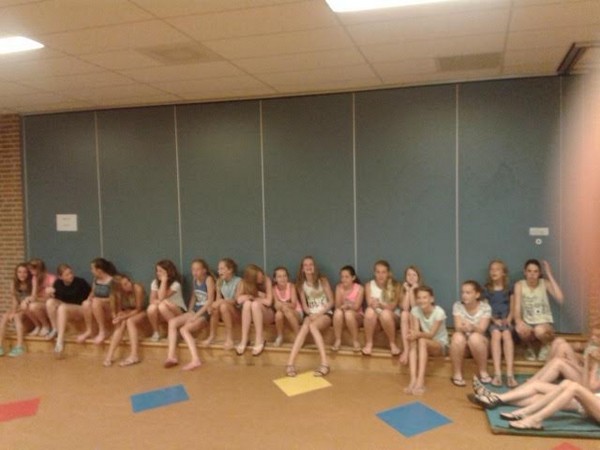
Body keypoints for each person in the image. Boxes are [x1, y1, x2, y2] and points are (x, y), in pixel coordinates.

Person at [468, 337, 600, 431]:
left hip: (592, 400)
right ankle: (505, 402)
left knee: (573, 387)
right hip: (593, 401)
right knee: (560, 384)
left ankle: (535, 419)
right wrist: (586, 359)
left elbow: (590, 387)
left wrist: (591, 363)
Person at [285, 256, 334, 377]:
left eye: (311, 264)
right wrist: (311, 314)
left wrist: (318, 314)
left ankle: (324, 364)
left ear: (314, 267)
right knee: (304, 328)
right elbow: (305, 306)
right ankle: (290, 363)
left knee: (312, 326)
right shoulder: (301, 285)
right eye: (305, 265)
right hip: (311, 314)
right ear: (302, 269)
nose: (308, 267)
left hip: (325, 313)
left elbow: (331, 302)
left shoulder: (322, 280)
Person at [163, 259, 215, 370]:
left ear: (204, 270)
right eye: (193, 269)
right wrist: (189, 312)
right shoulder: (195, 280)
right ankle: (171, 356)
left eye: (197, 269)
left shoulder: (208, 280)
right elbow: (194, 297)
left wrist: (195, 316)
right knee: (172, 322)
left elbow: (210, 301)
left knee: (184, 330)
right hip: (195, 310)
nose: (194, 272)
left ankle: (196, 359)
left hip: (204, 313)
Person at [514, 259, 564, 361]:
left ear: (539, 273)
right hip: (528, 322)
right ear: (525, 272)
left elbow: (560, 298)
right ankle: (529, 347)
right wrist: (518, 321)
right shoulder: (519, 285)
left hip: (544, 324)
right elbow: (517, 307)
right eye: (529, 271)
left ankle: (546, 345)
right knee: (520, 329)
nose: (532, 274)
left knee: (539, 330)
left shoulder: (544, 283)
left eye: (535, 271)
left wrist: (549, 274)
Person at [405, 286, 448, 395]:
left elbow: (431, 334)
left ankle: (420, 381)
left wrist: (417, 334)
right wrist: (412, 335)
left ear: (431, 299)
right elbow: (415, 331)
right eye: (419, 298)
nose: (421, 300)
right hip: (424, 341)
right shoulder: (415, 310)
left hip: (439, 344)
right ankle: (413, 379)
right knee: (414, 341)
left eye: (425, 297)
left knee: (421, 341)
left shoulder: (439, 312)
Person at [450, 280, 492, 386]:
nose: (464, 295)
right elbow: (458, 327)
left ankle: (483, 371)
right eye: (463, 292)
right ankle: (457, 374)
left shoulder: (485, 307)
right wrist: (464, 328)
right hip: (463, 345)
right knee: (457, 337)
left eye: (468, 293)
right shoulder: (457, 306)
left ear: (477, 294)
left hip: (480, 344)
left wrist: (472, 327)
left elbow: (482, 329)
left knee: (475, 337)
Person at [483, 260, 517, 387]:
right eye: (492, 269)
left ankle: (509, 374)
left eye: (497, 269)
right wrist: (493, 320)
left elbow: (513, 308)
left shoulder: (509, 289)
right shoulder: (487, 289)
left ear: (503, 273)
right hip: (493, 321)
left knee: (507, 334)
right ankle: (497, 373)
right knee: (496, 334)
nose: (494, 272)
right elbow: (486, 309)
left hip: (506, 320)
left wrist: (509, 319)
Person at [103, 274, 147, 367]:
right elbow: (120, 310)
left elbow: (138, 309)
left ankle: (134, 355)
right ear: (120, 289)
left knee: (129, 321)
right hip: (129, 312)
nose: (129, 284)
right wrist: (117, 317)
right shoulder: (119, 294)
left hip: (143, 311)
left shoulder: (137, 288)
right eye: (125, 284)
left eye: (128, 282)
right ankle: (109, 356)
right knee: (121, 323)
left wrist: (123, 317)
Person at [50, 264, 91, 358]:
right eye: (67, 275)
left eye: (71, 273)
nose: (70, 276)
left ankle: (59, 341)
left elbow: (91, 295)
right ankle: (55, 329)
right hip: (66, 307)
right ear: (60, 277)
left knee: (62, 308)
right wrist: (49, 294)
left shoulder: (80, 282)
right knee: (50, 302)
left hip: (80, 308)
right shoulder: (57, 283)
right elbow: (55, 298)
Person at [362, 260, 401, 357]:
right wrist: (374, 304)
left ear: (388, 273)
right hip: (375, 318)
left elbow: (393, 306)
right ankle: (369, 343)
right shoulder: (368, 285)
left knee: (385, 314)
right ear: (374, 273)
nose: (380, 275)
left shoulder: (395, 285)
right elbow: (369, 303)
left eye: (383, 272)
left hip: (392, 317)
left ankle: (392, 344)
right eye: (378, 272)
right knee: (369, 311)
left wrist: (381, 305)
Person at [235, 264, 274, 356]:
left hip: (267, 314)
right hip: (252, 315)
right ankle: (244, 339)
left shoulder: (267, 280)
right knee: (247, 304)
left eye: (262, 275)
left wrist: (255, 298)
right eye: (259, 277)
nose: (262, 278)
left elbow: (268, 302)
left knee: (255, 304)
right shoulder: (243, 283)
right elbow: (238, 300)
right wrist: (252, 296)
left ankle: (259, 339)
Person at [76, 258, 117, 344]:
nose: (91, 271)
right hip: (97, 305)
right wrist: (89, 299)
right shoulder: (95, 280)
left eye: (92, 269)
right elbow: (92, 293)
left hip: (109, 307)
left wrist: (99, 300)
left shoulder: (112, 281)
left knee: (96, 302)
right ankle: (89, 330)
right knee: (86, 303)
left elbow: (114, 299)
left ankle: (103, 331)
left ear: (99, 270)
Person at [203, 258, 241, 350]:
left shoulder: (239, 281)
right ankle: (212, 335)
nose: (219, 271)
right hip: (224, 311)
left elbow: (236, 301)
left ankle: (229, 338)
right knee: (216, 308)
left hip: (237, 312)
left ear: (230, 270)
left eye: (222, 269)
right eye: (218, 269)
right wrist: (212, 306)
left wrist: (221, 302)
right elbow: (218, 300)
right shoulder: (219, 282)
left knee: (223, 306)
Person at [0, 263, 35, 357]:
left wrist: (15, 313)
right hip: (20, 308)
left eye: (24, 272)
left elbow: (33, 299)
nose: (22, 274)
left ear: (28, 273)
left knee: (16, 316)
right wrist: (12, 311)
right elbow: (15, 301)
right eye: (19, 272)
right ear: (16, 273)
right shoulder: (14, 284)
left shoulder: (31, 283)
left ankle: (20, 346)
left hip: (29, 309)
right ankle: (0, 346)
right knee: (4, 316)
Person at [146, 259, 186, 342]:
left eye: (160, 271)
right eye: (157, 271)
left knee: (162, 306)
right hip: (163, 309)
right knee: (151, 308)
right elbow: (152, 300)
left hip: (178, 311)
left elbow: (161, 297)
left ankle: (175, 331)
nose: (158, 273)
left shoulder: (176, 284)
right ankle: (156, 332)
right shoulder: (155, 282)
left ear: (167, 271)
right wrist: (160, 302)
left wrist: (164, 281)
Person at [332, 265, 364, 352]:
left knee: (348, 314)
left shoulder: (360, 288)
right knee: (337, 312)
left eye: (346, 277)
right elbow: (337, 306)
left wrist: (348, 306)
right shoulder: (339, 287)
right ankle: (338, 340)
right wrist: (343, 306)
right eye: (342, 277)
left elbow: (356, 307)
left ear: (353, 278)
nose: (344, 279)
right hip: (343, 314)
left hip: (357, 316)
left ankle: (355, 340)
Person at [24, 258, 55, 336]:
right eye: (30, 269)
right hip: (39, 300)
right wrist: (28, 299)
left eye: (32, 269)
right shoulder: (34, 278)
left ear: (39, 268)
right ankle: (38, 326)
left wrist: (36, 299)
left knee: (33, 306)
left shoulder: (51, 278)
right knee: (24, 305)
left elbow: (51, 299)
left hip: (49, 303)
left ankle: (46, 326)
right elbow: (33, 295)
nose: (30, 271)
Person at [272, 266, 301, 347]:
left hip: (297, 314)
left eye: (285, 276)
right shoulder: (273, 289)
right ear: (275, 279)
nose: (283, 278)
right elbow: (276, 305)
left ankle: (299, 337)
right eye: (279, 276)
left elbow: (294, 305)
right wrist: (282, 305)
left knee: (285, 310)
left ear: (287, 277)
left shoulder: (291, 286)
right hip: (284, 315)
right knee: (278, 314)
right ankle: (280, 336)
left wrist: (282, 305)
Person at [399, 266, 422, 364]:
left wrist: (412, 291)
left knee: (413, 314)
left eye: (414, 275)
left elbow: (414, 308)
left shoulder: (422, 290)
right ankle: (406, 349)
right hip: (408, 319)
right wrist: (408, 291)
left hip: (420, 321)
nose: (411, 277)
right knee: (404, 314)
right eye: (408, 275)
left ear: (418, 277)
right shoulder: (403, 290)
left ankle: (413, 349)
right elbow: (405, 307)